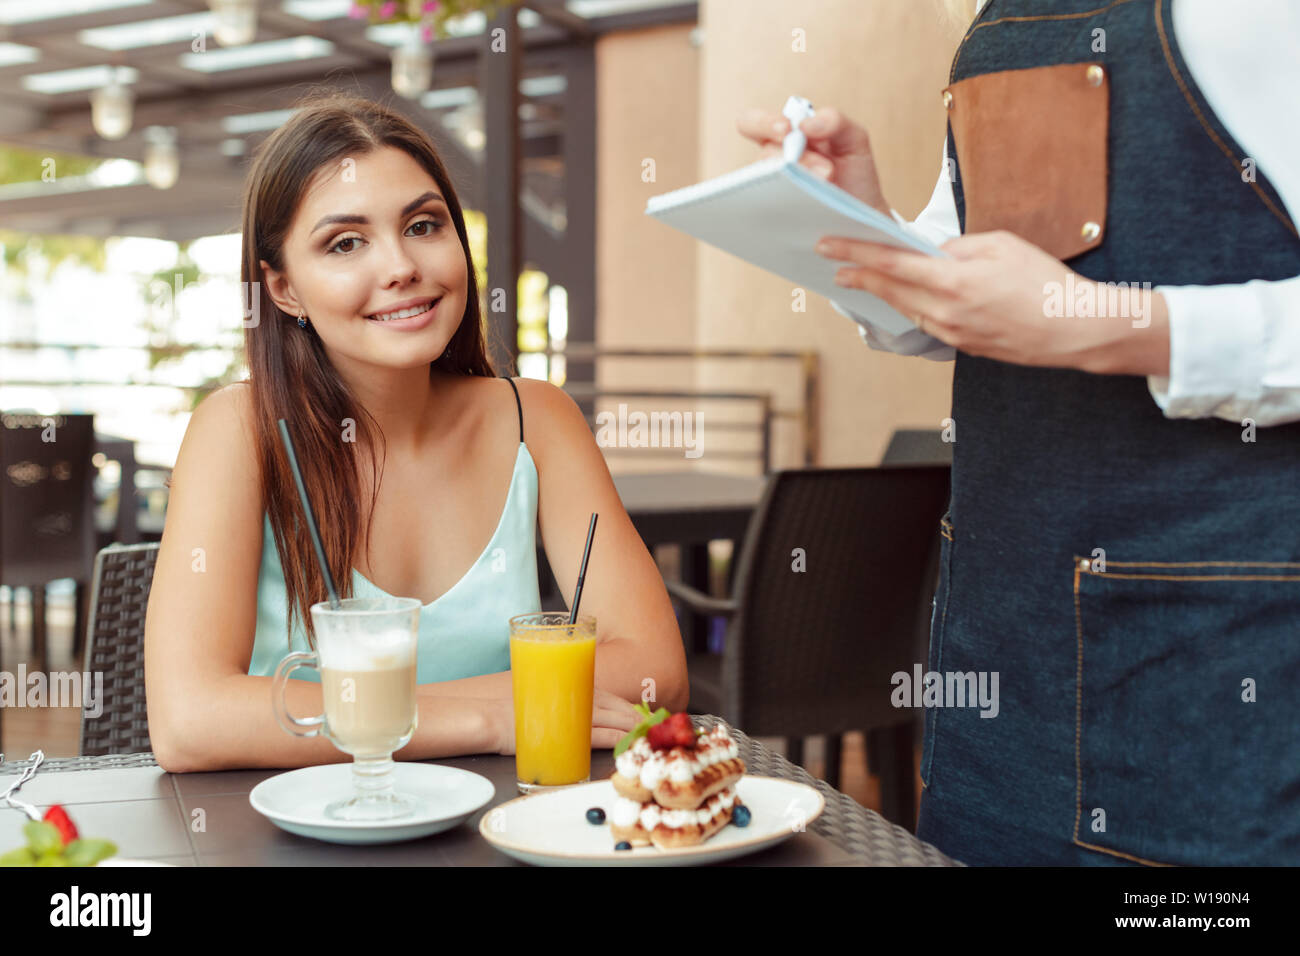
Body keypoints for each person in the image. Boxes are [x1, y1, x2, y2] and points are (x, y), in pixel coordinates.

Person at [739, 0, 1300, 865]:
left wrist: (1103, 323)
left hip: (1217, 658)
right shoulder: (995, 15)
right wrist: (861, 232)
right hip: (997, 647)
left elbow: (1060, 304)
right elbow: (964, 290)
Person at [145, 92, 688, 773]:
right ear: (282, 290)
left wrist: (365, 715)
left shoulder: (537, 420)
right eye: (346, 243)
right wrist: (491, 713)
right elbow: (190, 720)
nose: (401, 266)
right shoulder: (238, 431)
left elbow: (653, 674)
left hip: (500, 828)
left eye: (424, 226)